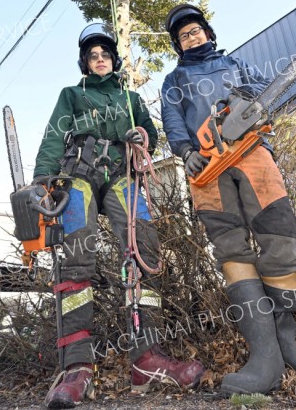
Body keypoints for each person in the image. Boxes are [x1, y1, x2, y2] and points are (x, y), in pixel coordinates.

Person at [161, 4, 296, 395]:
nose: (192, 37)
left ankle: (287, 345)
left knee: (279, 232)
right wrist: (183, 150)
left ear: (208, 33)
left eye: (196, 31)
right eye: (184, 35)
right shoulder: (174, 79)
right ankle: (264, 357)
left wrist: (246, 99)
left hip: (252, 151)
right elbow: (172, 117)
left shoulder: (236, 63)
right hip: (206, 166)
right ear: (178, 44)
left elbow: (265, 89)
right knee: (231, 250)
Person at [33, 23, 204, 409]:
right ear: (84, 62)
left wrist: (144, 136)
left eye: (104, 54)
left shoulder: (129, 98)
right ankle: (77, 368)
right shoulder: (71, 95)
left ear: (113, 59)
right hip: (78, 176)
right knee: (77, 257)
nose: (99, 60)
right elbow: (52, 137)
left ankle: (146, 358)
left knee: (145, 251)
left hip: (123, 175)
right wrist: (42, 182)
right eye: (92, 56)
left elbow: (151, 134)